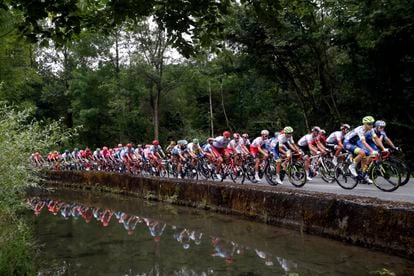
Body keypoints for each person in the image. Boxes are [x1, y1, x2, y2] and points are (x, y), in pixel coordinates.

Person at [343, 116, 387, 183]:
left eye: (372, 123)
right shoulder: (360, 129)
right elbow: (363, 142)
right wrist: (372, 151)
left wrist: (384, 148)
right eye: (369, 124)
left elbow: (376, 139)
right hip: (348, 142)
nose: (371, 125)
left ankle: (364, 174)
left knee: (365, 157)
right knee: (362, 153)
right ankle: (352, 166)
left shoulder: (371, 129)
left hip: (355, 142)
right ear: (365, 124)